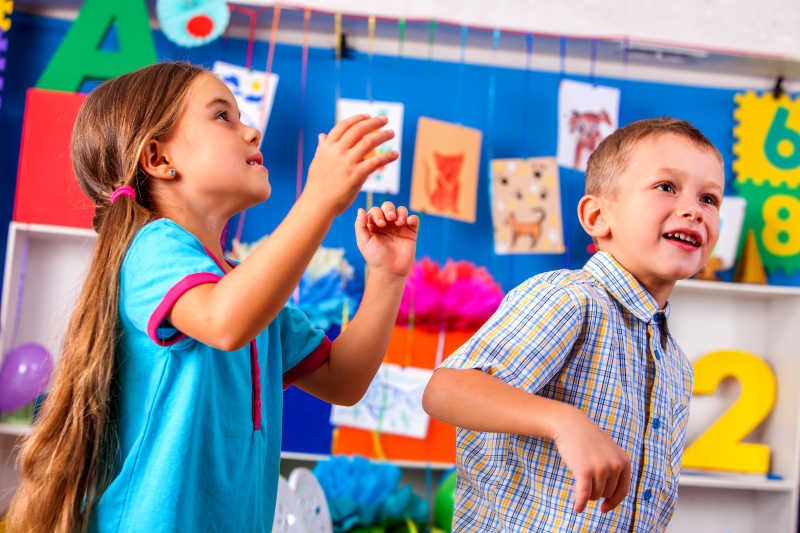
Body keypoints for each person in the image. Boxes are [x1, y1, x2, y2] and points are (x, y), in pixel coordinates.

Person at [6, 61, 419, 533]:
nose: (252, 132)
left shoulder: (244, 289)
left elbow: (341, 381)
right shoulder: (151, 249)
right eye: (223, 116)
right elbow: (225, 321)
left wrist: (386, 277)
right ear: (159, 159)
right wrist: (319, 198)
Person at [423, 117, 724, 532]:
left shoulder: (675, 364)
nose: (694, 210)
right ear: (598, 216)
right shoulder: (569, 297)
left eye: (710, 199)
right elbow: (447, 390)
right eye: (666, 187)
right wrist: (566, 421)